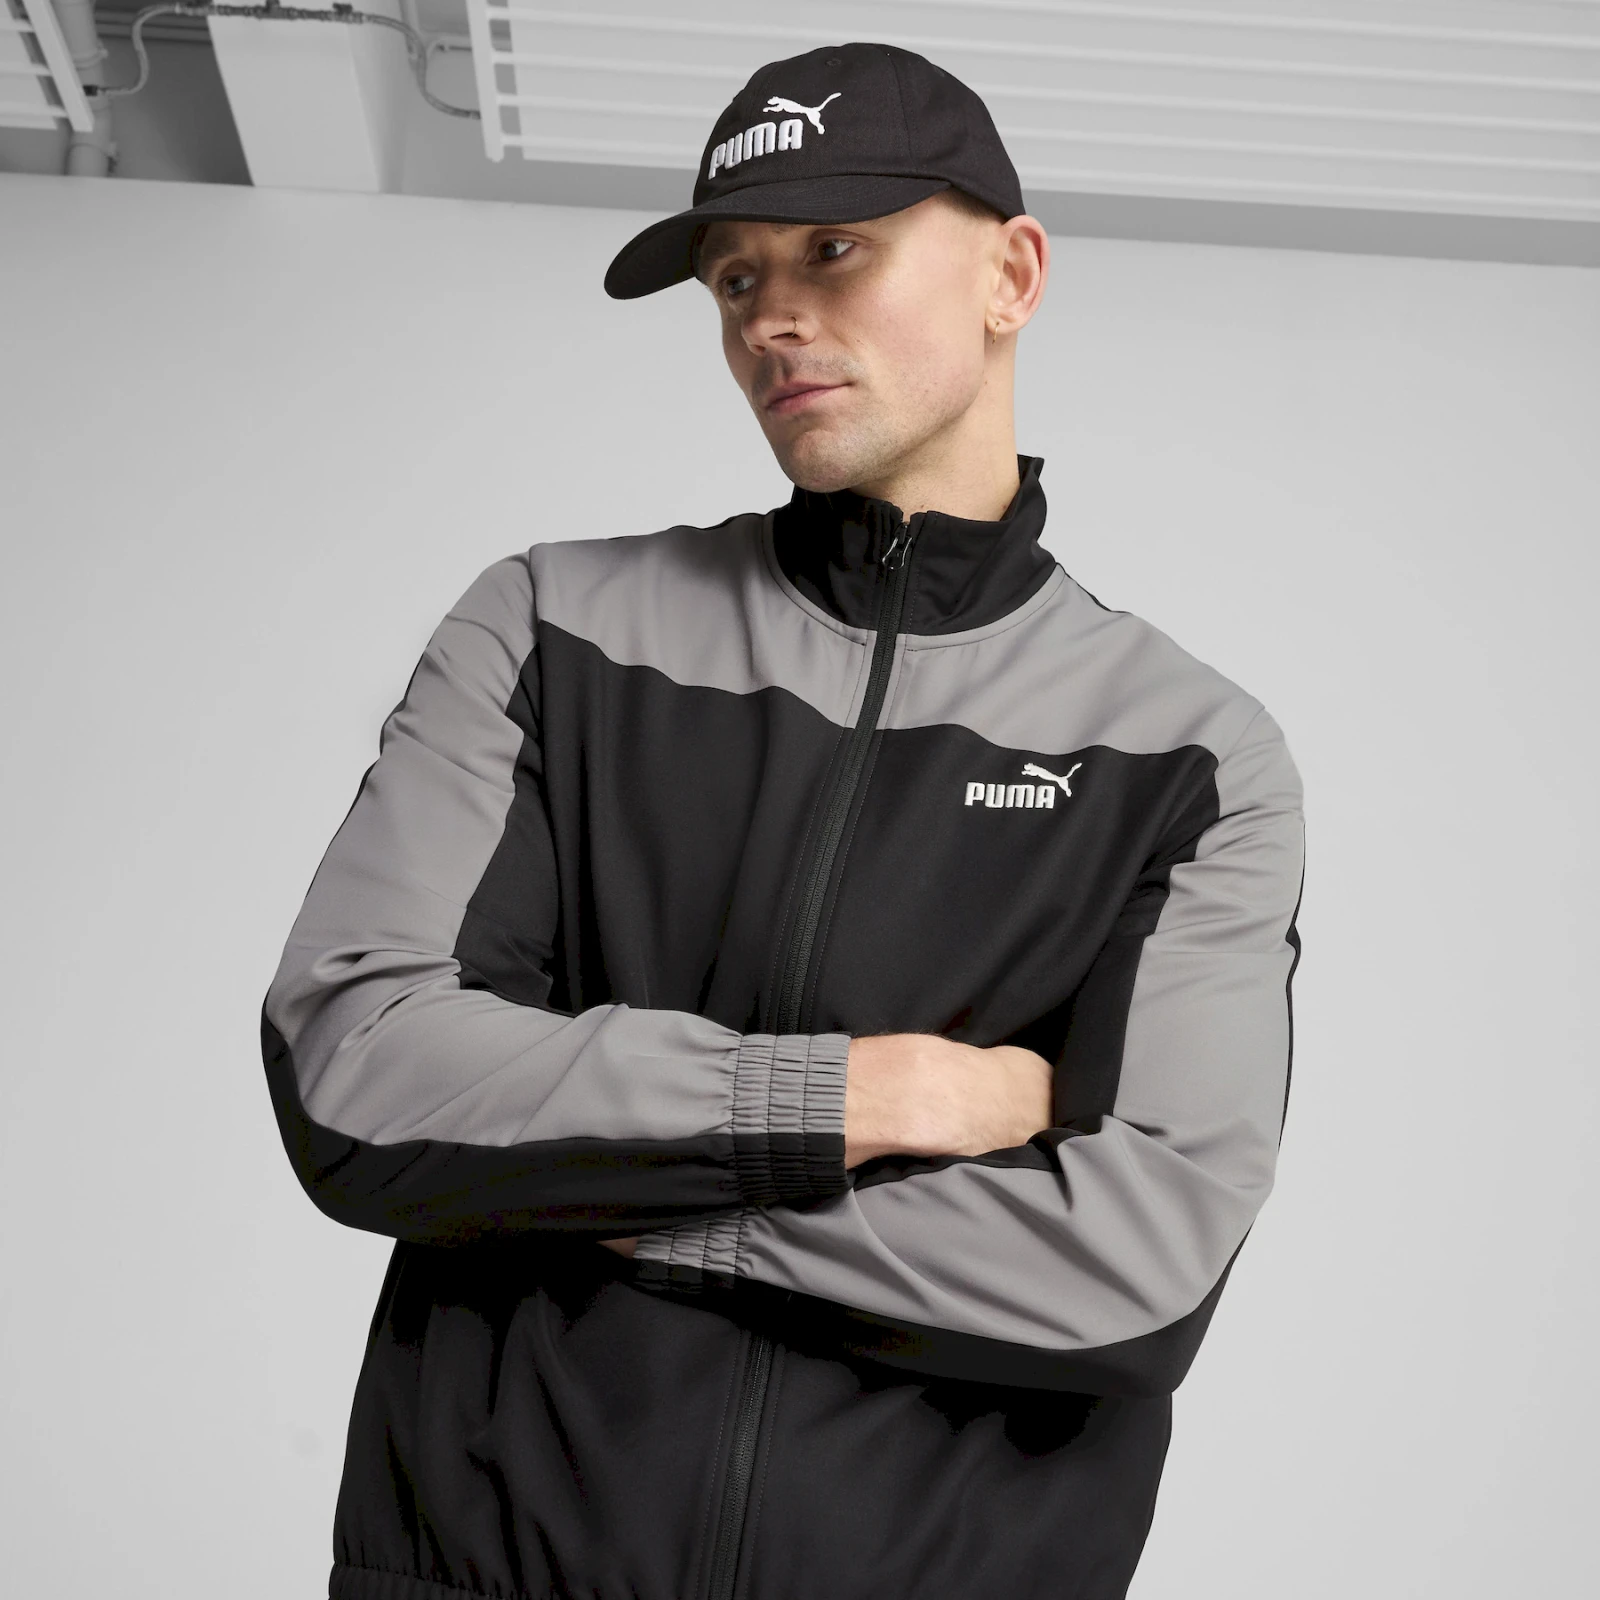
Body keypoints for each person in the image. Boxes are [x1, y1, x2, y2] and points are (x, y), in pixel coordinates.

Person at [261, 39, 1305, 1600]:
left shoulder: (1191, 754)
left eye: (834, 249)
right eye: (736, 277)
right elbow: (359, 1068)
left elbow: (1134, 1269)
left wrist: (611, 1205)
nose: (770, 319)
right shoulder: (550, 627)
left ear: (1012, 276)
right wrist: (866, 1097)